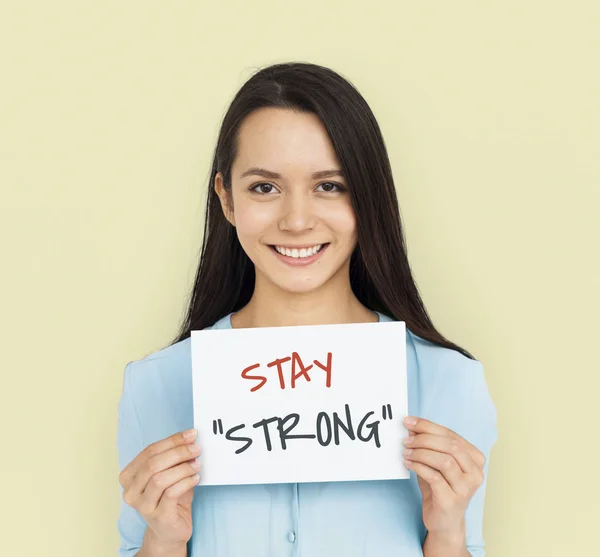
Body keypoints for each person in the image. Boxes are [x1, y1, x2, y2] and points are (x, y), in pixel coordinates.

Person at [116, 61, 498, 557]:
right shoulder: (155, 386)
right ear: (226, 199)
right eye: (264, 187)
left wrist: (447, 534)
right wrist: (162, 540)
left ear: (367, 198)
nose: (297, 220)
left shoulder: (451, 382)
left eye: (329, 186)